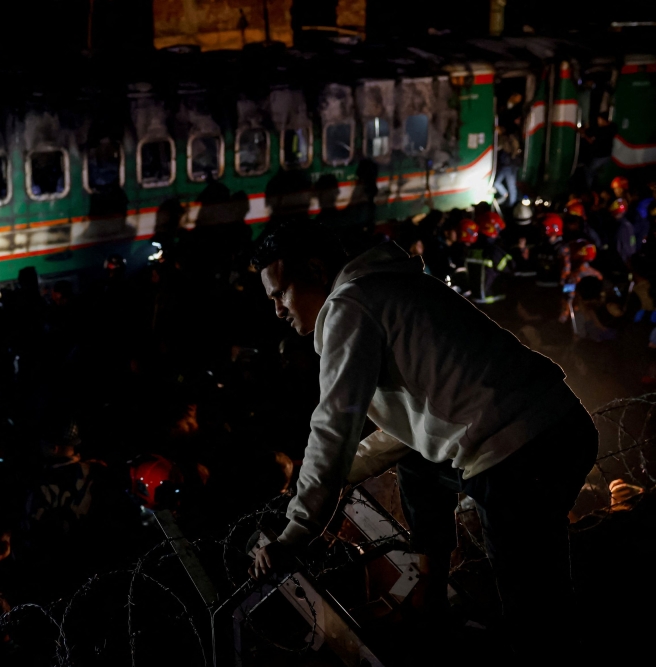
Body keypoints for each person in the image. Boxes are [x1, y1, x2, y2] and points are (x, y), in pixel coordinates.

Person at [249, 220, 596, 661]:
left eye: (281, 293)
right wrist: (330, 483)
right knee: (421, 465)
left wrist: (296, 531)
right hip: (559, 426)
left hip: (517, 454)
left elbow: (333, 423)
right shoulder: (390, 285)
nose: (278, 309)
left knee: (536, 619)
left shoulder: (349, 306)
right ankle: (431, 586)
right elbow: (409, 435)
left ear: (316, 269)